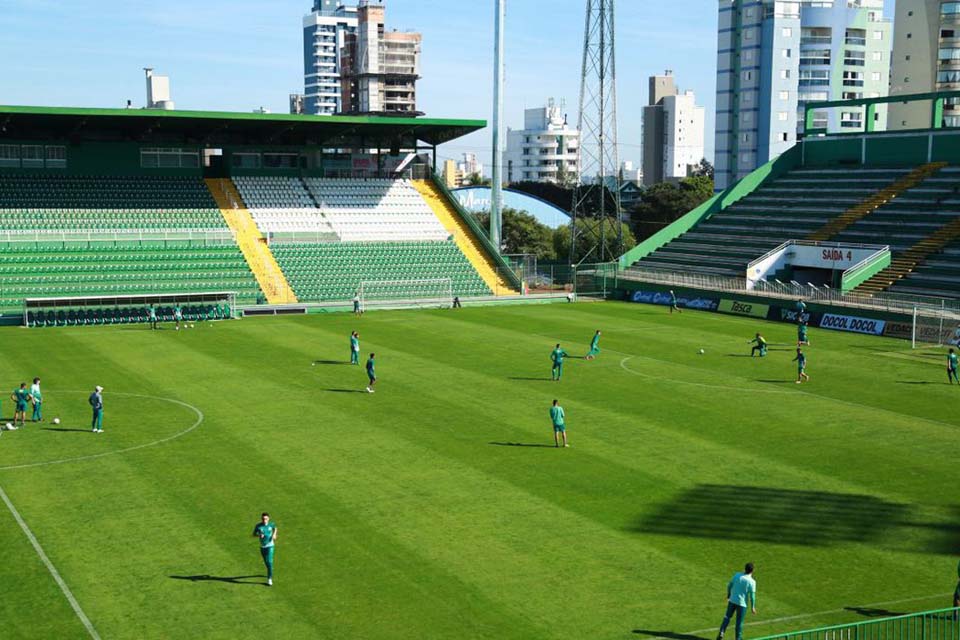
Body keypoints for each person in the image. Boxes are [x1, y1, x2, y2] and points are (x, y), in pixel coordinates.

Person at [716, 562, 757, 640]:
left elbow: (729, 585)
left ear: (745, 568)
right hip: (742, 604)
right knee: (739, 623)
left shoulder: (737, 575)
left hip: (732, 600)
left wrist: (728, 595)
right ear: (752, 571)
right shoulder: (752, 582)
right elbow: (752, 596)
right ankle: (738, 638)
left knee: (727, 617)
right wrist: (753, 607)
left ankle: (721, 632)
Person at [252, 512, 277, 587]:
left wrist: (274, 534)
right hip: (263, 546)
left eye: (266, 519)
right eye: (263, 519)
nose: (264, 520)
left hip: (270, 545)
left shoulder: (271, 524)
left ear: (268, 519)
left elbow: (275, 528)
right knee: (266, 562)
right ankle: (270, 570)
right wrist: (259, 535)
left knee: (269, 562)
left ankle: (269, 579)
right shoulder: (258, 526)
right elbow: (253, 534)